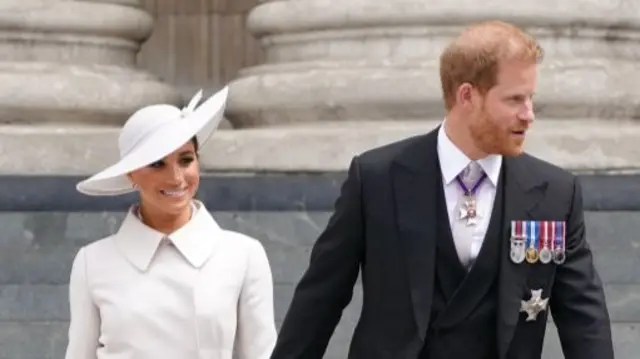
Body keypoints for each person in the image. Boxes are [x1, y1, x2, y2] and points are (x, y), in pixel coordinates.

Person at [270, 21, 614, 359]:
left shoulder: (555, 192)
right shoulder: (376, 179)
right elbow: (320, 299)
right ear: (467, 96)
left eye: (531, 98)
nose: (529, 114)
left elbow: (583, 316)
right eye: (514, 100)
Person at [65, 87, 277, 359]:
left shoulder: (244, 255)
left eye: (186, 160)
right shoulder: (92, 263)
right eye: (157, 164)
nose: (176, 178)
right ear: (131, 174)